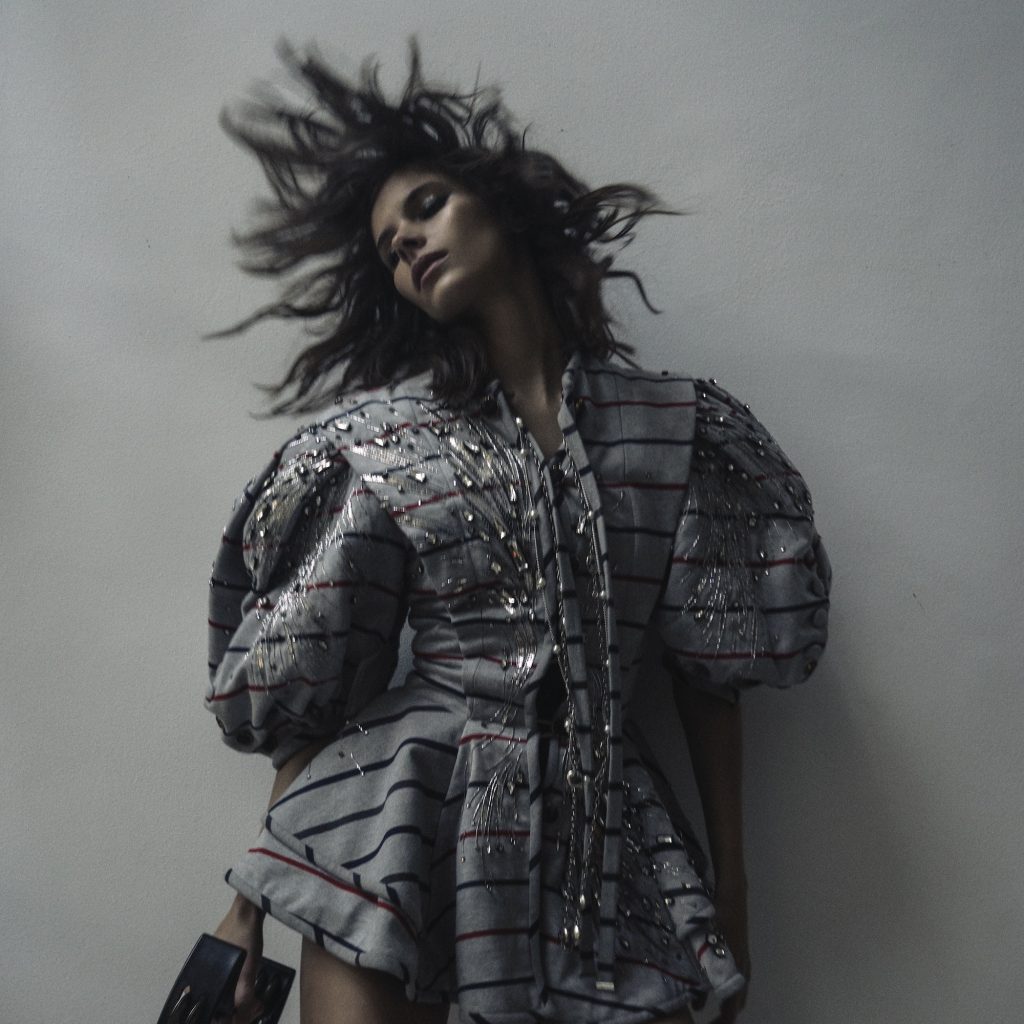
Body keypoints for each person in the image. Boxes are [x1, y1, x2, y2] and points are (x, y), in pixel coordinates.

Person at [202, 38, 832, 1024]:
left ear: (500, 203)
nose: (410, 244)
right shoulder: (385, 445)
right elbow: (330, 688)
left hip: (604, 837)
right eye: (389, 248)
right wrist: (246, 905)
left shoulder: (677, 429)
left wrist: (734, 898)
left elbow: (709, 681)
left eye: (426, 207)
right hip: (398, 812)